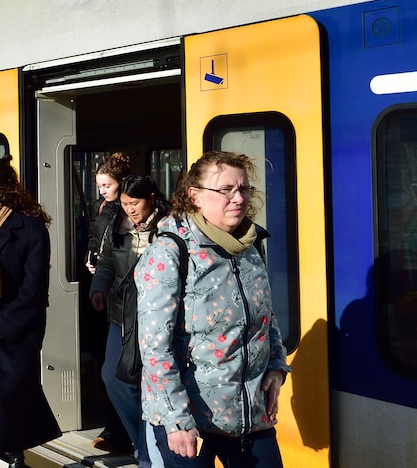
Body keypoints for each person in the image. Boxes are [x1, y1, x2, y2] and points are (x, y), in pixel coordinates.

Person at [136, 151, 290, 468]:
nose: (238, 198)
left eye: (244, 189)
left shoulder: (249, 244)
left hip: (249, 416)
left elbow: (265, 316)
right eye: (225, 190)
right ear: (195, 196)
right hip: (190, 418)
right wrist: (177, 420)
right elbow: (154, 347)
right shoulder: (171, 250)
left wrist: (276, 364)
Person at [0, 155, 62, 468]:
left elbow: (33, 291)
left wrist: (2, 328)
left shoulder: (31, 228)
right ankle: (16, 453)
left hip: (18, 331)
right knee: (18, 391)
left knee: (4, 395)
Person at [89, 175, 168, 468]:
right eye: (124, 204)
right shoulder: (116, 226)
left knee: (152, 384)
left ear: (151, 198)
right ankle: (141, 439)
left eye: (134, 203)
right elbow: (107, 263)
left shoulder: (168, 228)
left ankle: (152, 448)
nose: (129, 209)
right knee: (113, 377)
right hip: (121, 317)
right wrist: (98, 288)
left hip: (157, 320)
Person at [87, 152, 133, 453]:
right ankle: (117, 429)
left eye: (106, 185)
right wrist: (92, 258)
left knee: (119, 371)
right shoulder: (105, 208)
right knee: (112, 369)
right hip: (111, 294)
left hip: (127, 301)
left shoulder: (126, 214)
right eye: (100, 185)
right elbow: (98, 241)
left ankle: (121, 432)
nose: (102, 190)